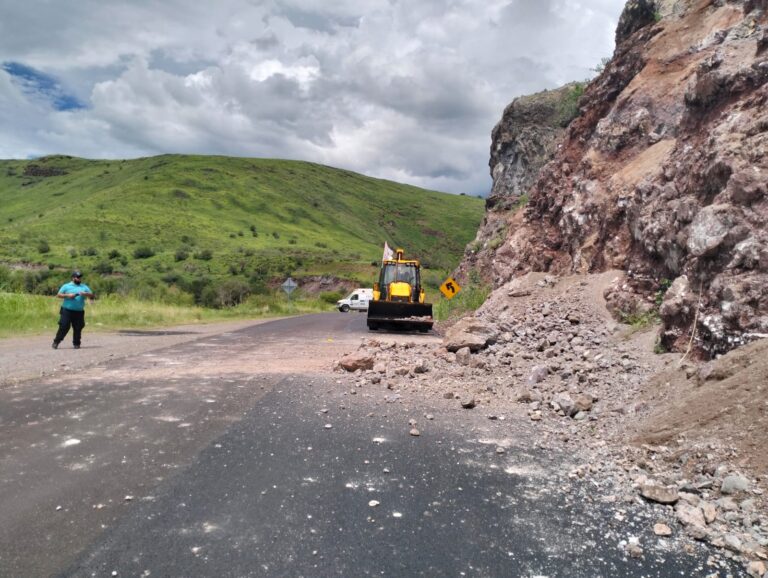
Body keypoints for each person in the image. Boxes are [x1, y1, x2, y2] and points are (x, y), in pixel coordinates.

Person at [52, 270, 95, 350]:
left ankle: (76, 343)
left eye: (80, 277)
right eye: (77, 277)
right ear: (73, 278)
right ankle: (56, 342)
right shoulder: (66, 286)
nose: (79, 279)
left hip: (79, 311)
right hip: (67, 310)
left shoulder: (84, 287)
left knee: (78, 327)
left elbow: (92, 295)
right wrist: (68, 295)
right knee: (64, 326)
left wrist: (86, 294)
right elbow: (58, 295)